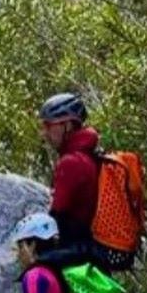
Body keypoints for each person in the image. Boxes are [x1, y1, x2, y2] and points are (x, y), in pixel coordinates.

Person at [38, 92, 100, 261]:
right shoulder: (89, 155)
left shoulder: (71, 162)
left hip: (77, 252)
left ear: (67, 125)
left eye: (48, 126)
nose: (44, 133)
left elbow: (56, 218)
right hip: (92, 251)